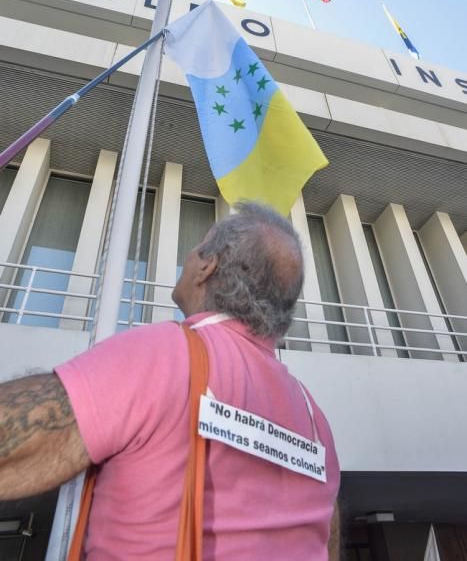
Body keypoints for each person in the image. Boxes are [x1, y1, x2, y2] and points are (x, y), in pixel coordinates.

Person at [0, 202, 340, 559]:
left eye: (196, 248)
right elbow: (327, 536)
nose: (189, 256)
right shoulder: (315, 419)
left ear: (207, 267)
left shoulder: (164, 353)